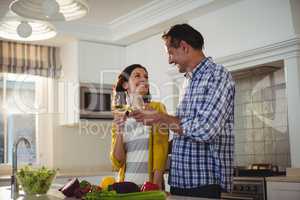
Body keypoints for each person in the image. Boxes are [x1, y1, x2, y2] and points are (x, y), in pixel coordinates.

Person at [129, 24, 235, 198]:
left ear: (184, 47)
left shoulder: (217, 75)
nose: (170, 60)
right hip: (179, 180)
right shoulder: (188, 81)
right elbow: (184, 129)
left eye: (170, 53)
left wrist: (161, 117)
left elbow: (206, 130)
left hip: (202, 182)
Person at [110, 64, 169, 189]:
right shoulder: (120, 116)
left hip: (148, 187)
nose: (143, 79)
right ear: (125, 85)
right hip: (126, 187)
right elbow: (117, 161)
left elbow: (161, 148)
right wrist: (120, 131)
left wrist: (156, 184)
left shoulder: (157, 108)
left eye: (146, 77)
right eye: (137, 76)